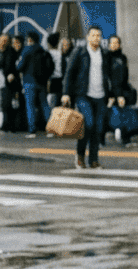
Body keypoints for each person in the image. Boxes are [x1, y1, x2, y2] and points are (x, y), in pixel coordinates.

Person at [61, 26, 114, 169]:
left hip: (100, 95)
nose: (96, 38)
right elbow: (69, 73)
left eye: (99, 36)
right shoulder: (80, 52)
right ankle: (80, 155)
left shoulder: (104, 53)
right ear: (88, 37)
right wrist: (66, 93)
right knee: (88, 124)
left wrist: (112, 94)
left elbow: (109, 75)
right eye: (93, 35)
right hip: (83, 95)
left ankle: (93, 159)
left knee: (98, 128)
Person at [17, 31, 51, 137]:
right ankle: (50, 130)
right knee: (44, 104)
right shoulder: (42, 50)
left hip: (29, 81)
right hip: (42, 82)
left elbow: (20, 66)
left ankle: (32, 131)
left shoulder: (26, 50)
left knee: (30, 106)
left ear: (30, 39)